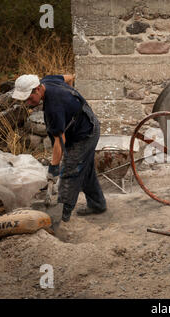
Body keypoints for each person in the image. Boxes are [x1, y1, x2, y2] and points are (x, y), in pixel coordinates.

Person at [12, 74, 107, 222]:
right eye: (25, 100)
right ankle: (97, 204)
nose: (28, 103)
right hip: (86, 122)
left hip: (85, 134)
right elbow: (69, 77)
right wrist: (70, 105)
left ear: (37, 89)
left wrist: (54, 168)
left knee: (69, 170)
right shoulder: (47, 81)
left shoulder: (54, 107)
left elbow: (59, 140)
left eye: (30, 99)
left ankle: (60, 217)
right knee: (85, 168)